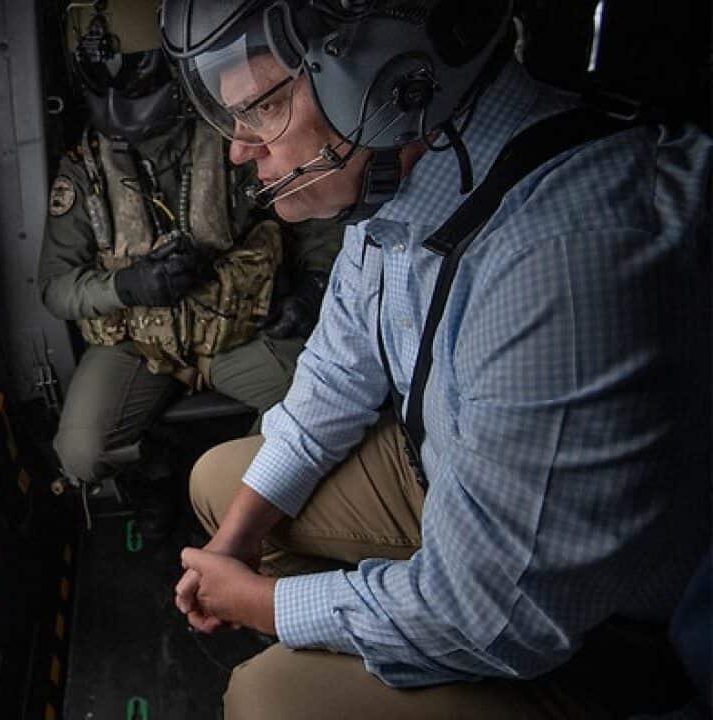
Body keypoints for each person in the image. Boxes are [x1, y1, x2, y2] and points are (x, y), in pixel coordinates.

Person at [159, 0, 712, 717]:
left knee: (266, 700)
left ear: (383, 75)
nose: (238, 148)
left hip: (597, 635)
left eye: (262, 107)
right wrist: (237, 544)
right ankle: (366, 641)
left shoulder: (559, 264)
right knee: (221, 486)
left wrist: (265, 604)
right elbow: (335, 374)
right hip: (457, 481)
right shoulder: (397, 164)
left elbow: (494, 617)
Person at [39, 0, 343, 515]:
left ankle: (243, 498)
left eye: (136, 73)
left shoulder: (235, 137)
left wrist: (314, 285)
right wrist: (125, 286)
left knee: (322, 403)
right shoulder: (84, 171)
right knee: (80, 454)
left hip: (239, 332)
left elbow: (316, 211)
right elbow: (55, 287)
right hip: (139, 343)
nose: (121, 90)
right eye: (104, 74)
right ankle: (161, 484)